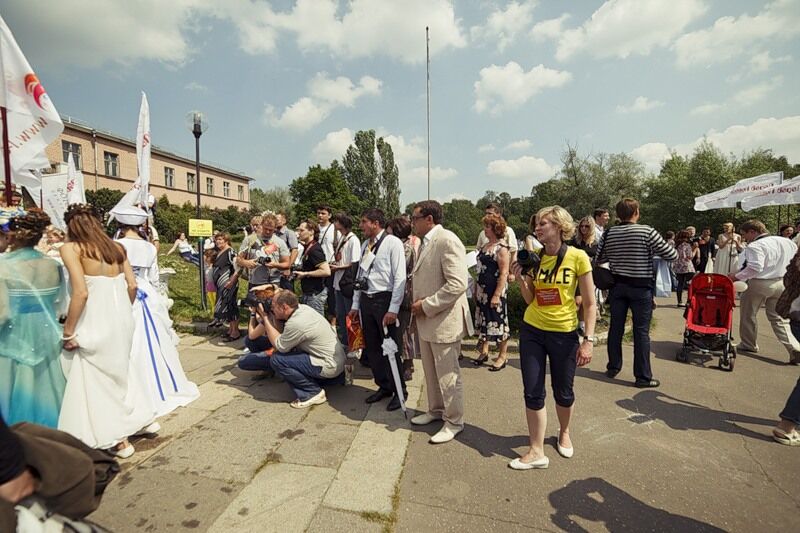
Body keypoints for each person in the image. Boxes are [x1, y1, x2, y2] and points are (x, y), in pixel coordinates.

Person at [57, 204, 156, 458]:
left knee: (97, 379)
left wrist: (68, 331)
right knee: (122, 371)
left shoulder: (71, 249)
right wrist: (122, 310)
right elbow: (132, 286)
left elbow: (80, 292)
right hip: (121, 318)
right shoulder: (117, 248)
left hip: (93, 320)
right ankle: (142, 419)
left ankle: (119, 439)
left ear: (72, 226)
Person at [509, 206, 596, 469]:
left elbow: (590, 304)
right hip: (533, 330)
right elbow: (530, 299)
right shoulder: (533, 257)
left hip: (564, 332)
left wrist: (588, 340)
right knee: (533, 390)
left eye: (543, 224)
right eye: (536, 224)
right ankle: (536, 450)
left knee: (563, 392)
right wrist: (521, 279)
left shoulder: (578, 257)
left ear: (559, 226)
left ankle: (564, 431)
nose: (537, 228)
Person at [113, 206, 200, 418]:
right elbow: (153, 276)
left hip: (124, 289)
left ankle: (132, 391)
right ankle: (163, 383)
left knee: (129, 340)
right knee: (155, 340)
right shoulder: (149, 247)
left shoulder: (116, 245)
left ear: (121, 225)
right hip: (146, 291)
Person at [595, 198, 677, 388]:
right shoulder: (647, 231)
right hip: (641, 288)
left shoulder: (609, 233)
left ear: (618, 214)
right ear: (636, 212)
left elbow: (600, 258)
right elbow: (672, 255)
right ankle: (642, 376)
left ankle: (613, 367)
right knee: (641, 332)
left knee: (616, 328)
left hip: (617, 286)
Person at [409, 200, 472, 444]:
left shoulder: (447, 240)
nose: (412, 222)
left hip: (443, 320)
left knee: (448, 375)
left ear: (429, 219)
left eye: (415, 218)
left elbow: (457, 283)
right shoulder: (425, 242)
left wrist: (426, 305)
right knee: (431, 371)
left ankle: (454, 421)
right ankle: (436, 410)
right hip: (428, 321)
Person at [0, 209, 67, 428]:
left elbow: (2, 312)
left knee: (12, 388)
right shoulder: (54, 265)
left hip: (12, 334)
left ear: (13, 235)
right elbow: (60, 302)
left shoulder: (3, 264)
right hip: (46, 332)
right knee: (48, 387)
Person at [348, 208, 407, 411]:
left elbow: (400, 277)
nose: (361, 226)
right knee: (372, 348)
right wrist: (356, 305)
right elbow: (360, 277)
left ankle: (401, 391)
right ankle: (384, 385)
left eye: (364, 222)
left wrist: (393, 308)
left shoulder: (392, 242)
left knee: (390, 348)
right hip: (367, 300)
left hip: (384, 300)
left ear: (375, 223)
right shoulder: (366, 245)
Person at [255, 291, 345, 408]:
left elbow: (280, 346)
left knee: (277, 360)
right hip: (337, 361)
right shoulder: (304, 309)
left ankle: (311, 392)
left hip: (328, 365)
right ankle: (334, 380)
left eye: (273, 307)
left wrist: (266, 318)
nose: (272, 310)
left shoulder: (296, 323)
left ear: (284, 307)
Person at [729, 219, 799, 363]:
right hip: (782, 282)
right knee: (779, 319)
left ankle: (749, 344)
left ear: (753, 232)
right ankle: (794, 347)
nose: (744, 238)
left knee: (749, 314)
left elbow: (755, 268)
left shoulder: (755, 245)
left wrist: (735, 277)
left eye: (745, 235)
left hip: (760, 283)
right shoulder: (787, 242)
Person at [472, 213, 510, 370]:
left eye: (487, 227)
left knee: (498, 321)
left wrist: (496, 295)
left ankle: (502, 355)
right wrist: (476, 288)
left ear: (496, 228)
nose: (485, 230)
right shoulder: (484, 246)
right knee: (484, 321)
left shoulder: (502, 248)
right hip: (482, 291)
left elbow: (504, 273)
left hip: (495, 291)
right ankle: (485, 351)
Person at [387, 216, 418, 381]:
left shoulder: (405, 248)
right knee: (400, 330)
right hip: (400, 292)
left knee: (405, 329)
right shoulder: (401, 246)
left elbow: (397, 269)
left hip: (404, 293)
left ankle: (408, 363)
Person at [330, 213, 361, 347]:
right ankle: (344, 342)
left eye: (336, 221)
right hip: (338, 283)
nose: (335, 224)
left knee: (351, 316)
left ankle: (355, 344)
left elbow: (354, 263)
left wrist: (338, 268)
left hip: (347, 283)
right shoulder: (342, 238)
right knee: (341, 315)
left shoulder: (353, 240)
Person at [237, 213, 291, 290]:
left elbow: (287, 264)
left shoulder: (280, 242)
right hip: (254, 282)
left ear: (275, 228)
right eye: (266, 228)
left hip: (273, 283)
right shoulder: (250, 240)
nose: (268, 232)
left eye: (271, 230)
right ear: (261, 225)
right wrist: (246, 263)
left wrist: (275, 265)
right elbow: (238, 259)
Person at [294, 219, 330, 316]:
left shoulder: (314, 249)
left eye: (302, 230)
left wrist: (305, 274)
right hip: (308, 292)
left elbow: (326, 271)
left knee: (315, 323)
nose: (299, 233)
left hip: (315, 294)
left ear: (311, 232)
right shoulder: (307, 247)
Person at [570, 216, 599, 334]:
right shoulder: (575, 241)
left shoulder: (596, 243)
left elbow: (600, 259)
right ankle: (572, 323)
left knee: (587, 302)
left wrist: (590, 260)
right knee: (577, 301)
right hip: (575, 274)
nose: (583, 228)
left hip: (590, 274)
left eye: (586, 226)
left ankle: (583, 325)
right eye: (581, 226)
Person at [476, 202, 518, 282]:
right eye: (486, 213)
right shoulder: (482, 233)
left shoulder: (508, 231)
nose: (487, 216)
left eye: (490, 213)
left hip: (501, 272)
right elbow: (478, 251)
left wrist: (512, 272)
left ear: (498, 214)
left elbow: (513, 252)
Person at [212, 233, 241, 341]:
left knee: (231, 306)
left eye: (220, 239)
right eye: (217, 240)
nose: (218, 241)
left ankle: (235, 332)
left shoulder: (230, 252)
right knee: (226, 306)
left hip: (229, 284)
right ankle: (230, 330)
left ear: (226, 240)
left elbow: (238, 267)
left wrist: (232, 280)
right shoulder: (219, 252)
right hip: (221, 286)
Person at [317, 205, 339, 320]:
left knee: (332, 297)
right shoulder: (315, 229)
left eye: (323, 213)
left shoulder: (334, 229)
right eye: (319, 213)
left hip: (330, 265)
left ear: (329, 215)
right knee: (316, 295)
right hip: (317, 266)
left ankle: (333, 324)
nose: (320, 215)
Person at [275, 212, 299, 290]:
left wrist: (288, 267)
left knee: (287, 291)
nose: (275, 222)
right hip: (277, 268)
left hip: (286, 269)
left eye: (277, 220)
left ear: (284, 221)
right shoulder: (275, 234)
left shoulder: (289, 233)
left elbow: (294, 251)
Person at [673, 230, 696, 307]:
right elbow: (690, 256)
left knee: (680, 283)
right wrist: (695, 249)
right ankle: (688, 301)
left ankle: (679, 301)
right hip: (687, 266)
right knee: (690, 283)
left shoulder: (676, 244)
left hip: (678, 265)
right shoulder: (687, 245)